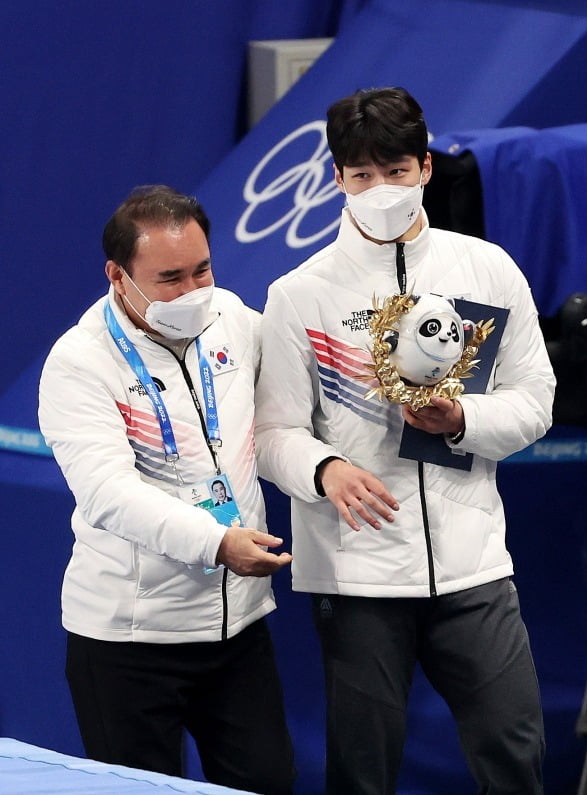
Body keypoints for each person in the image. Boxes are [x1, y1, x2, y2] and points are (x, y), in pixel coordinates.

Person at [255, 88, 555, 794]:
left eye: (393, 170)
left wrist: (462, 421)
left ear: (424, 166)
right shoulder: (300, 294)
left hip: (473, 562)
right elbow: (273, 433)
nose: (379, 190)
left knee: (515, 749)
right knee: (363, 772)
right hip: (357, 573)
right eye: (360, 176)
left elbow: (535, 399)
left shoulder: (486, 268)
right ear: (337, 179)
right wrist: (324, 468)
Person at [38, 185, 295, 795]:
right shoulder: (78, 363)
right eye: (169, 277)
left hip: (238, 631)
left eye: (202, 268)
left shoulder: (232, 317)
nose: (192, 291)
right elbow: (106, 492)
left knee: (269, 782)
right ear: (118, 275)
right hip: (129, 640)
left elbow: (295, 405)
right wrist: (216, 544)